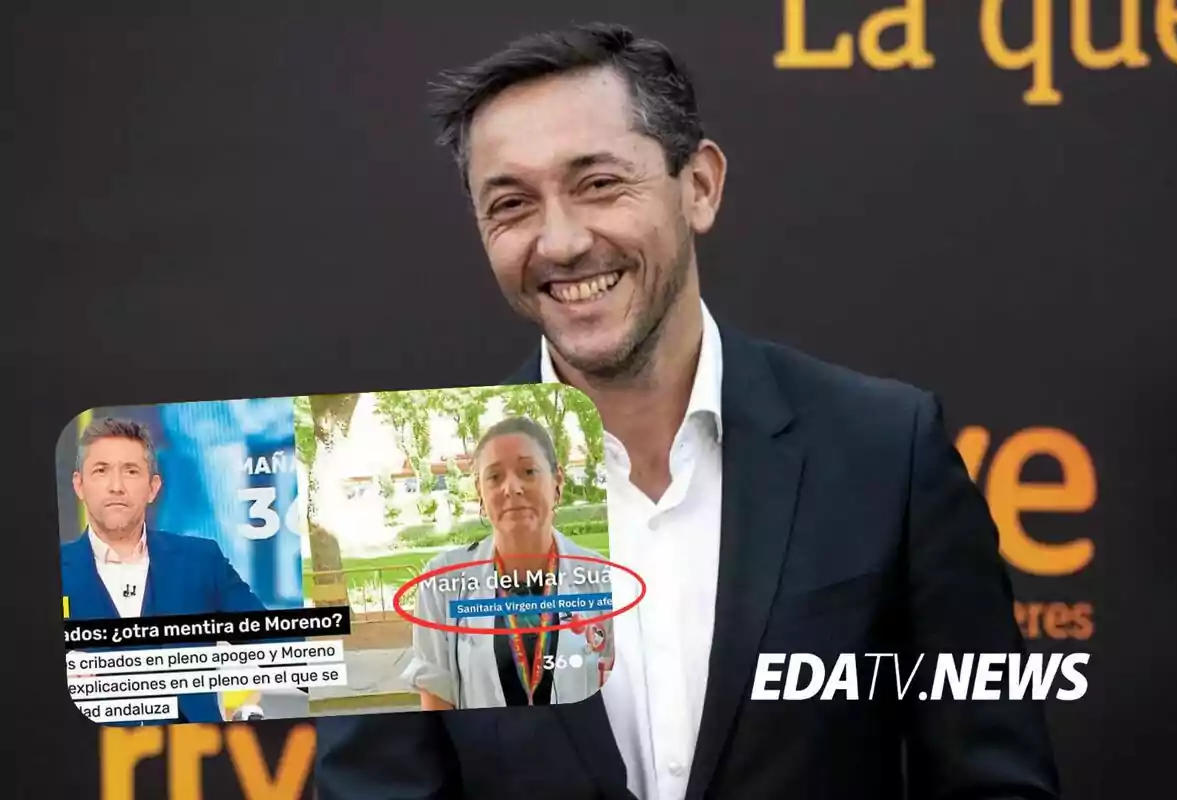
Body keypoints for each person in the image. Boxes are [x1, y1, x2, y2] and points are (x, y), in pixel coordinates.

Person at [316, 22, 1059, 800]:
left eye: (599, 184)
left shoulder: (884, 450)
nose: (561, 241)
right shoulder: (391, 522)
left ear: (698, 186)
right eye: (512, 204)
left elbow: (994, 781)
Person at [400, 416, 614, 710]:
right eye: (495, 477)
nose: (512, 488)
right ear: (480, 492)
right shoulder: (441, 582)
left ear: (557, 482)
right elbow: (437, 707)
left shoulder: (603, 579)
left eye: (528, 471)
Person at [61, 416, 266, 724]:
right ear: (79, 484)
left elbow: (272, 640)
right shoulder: (47, 573)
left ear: (153, 487)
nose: (116, 487)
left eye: (130, 472)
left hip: (196, 756)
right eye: (101, 471)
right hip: (94, 761)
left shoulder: (201, 560)